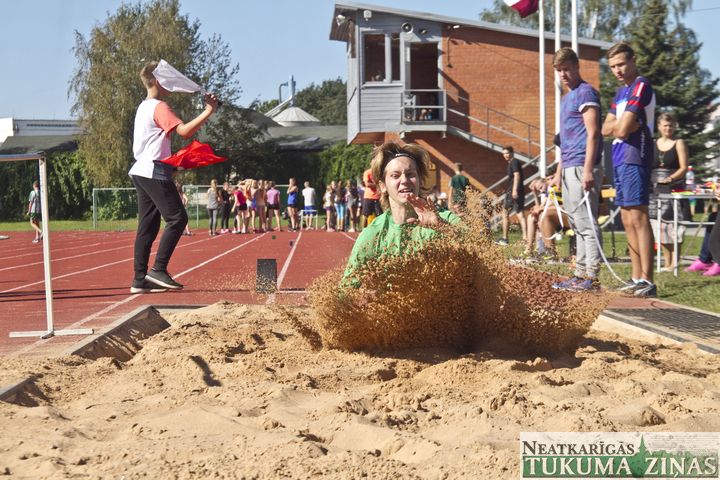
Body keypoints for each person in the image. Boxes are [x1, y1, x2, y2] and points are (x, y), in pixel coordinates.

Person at [129, 61, 218, 293]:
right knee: (178, 218)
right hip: (153, 170)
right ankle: (158, 269)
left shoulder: (143, 107)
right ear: (158, 80)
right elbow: (184, 131)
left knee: (148, 226)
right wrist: (208, 111)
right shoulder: (160, 107)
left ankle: (139, 279)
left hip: (141, 170)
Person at [344, 141, 461, 279]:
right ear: (382, 186)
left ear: (420, 180)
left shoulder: (445, 219)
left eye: (410, 174)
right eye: (395, 175)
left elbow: (479, 249)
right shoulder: (372, 235)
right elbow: (348, 287)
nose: (404, 180)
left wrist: (443, 227)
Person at [601, 42, 657, 297]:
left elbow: (622, 130)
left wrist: (620, 126)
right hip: (618, 157)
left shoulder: (641, 85)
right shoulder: (620, 93)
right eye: (613, 66)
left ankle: (648, 279)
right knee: (626, 218)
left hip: (637, 155)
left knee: (638, 216)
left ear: (633, 60)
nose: (617, 70)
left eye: (622, 64)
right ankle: (636, 277)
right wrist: (619, 126)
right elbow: (606, 128)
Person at [550, 47, 604, 292]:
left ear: (576, 66)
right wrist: (558, 173)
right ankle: (580, 273)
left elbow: (593, 133)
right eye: (559, 71)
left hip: (583, 165)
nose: (563, 75)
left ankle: (591, 276)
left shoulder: (586, 93)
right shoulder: (566, 99)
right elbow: (565, 142)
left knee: (586, 222)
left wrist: (589, 170)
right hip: (569, 166)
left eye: (566, 69)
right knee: (575, 223)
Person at [650, 112, 689, 271]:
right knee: (660, 226)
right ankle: (667, 262)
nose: (668, 128)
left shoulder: (679, 143)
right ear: (659, 126)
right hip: (656, 189)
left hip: (674, 187)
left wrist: (670, 178)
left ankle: (675, 262)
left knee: (675, 226)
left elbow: (683, 167)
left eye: (671, 125)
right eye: (665, 125)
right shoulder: (653, 143)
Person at [498, 146, 526, 245]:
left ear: (512, 153)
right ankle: (525, 238)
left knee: (505, 213)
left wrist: (514, 190)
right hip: (517, 191)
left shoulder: (514, 162)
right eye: (504, 154)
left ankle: (505, 238)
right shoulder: (513, 162)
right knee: (520, 213)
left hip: (513, 192)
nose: (505, 155)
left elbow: (517, 175)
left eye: (507, 153)